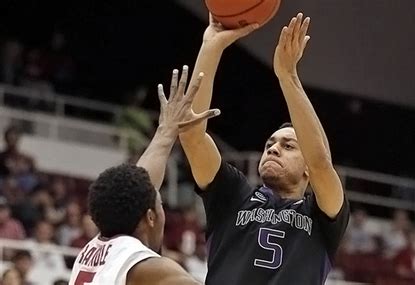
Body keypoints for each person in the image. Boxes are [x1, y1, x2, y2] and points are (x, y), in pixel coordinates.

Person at [179, 13, 349, 284]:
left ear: (307, 171)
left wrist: (288, 76)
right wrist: (210, 47)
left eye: (288, 145)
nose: (273, 149)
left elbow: (320, 162)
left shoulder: (321, 217)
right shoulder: (233, 196)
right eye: (270, 144)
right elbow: (191, 134)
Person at [69, 67, 220, 285]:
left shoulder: (94, 250)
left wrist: (166, 132)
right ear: (150, 217)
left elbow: (141, 184)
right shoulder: (149, 268)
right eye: (159, 203)